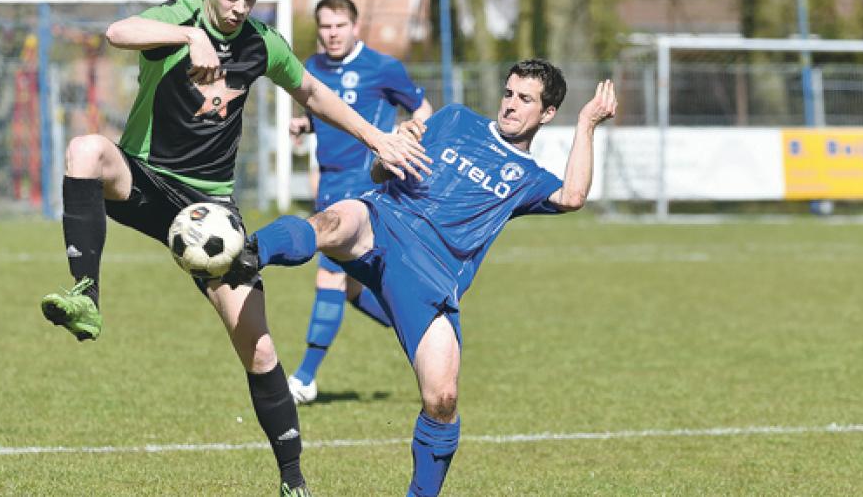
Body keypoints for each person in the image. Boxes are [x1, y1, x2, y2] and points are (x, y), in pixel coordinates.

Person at [37, 0, 428, 496]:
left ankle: (293, 481)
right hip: (146, 180)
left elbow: (313, 93)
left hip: (210, 211)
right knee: (85, 150)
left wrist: (377, 137)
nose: (242, 6)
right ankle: (86, 296)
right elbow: (118, 33)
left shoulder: (261, 44)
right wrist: (188, 35)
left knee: (260, 348)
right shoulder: (178, 15)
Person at [238, 60, 617, 496]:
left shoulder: (527, 178)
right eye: (509, 93)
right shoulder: (455, 118)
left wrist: (587, 123)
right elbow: (380, 175)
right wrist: (388, 153)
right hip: (382, 221)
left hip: (430, 277)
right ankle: (245, 252)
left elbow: (573, 196)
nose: (510, 105)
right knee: (333, 222)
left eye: (525, 99)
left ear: (547, 114)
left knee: (442, 399)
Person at [286, 0, 433, 405]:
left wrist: (408, 135)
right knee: (352, 289)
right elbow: (330, 116)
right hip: (329, 184)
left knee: (328, 275)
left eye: (339, 26)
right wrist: (306, 127)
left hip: (365, 185)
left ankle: (304, 378)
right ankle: (421, 329)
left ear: (355, 28)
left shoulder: (382, 67)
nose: (332, 34)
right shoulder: (312, 68)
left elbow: (423, 110)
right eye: (325, 27)